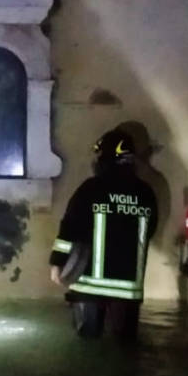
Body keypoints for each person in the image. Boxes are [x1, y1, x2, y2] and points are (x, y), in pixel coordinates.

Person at [48, 129, 158, 340]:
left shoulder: (91, 189)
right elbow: (150, 230)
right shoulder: (146, 193)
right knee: (125, 351)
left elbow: (70, 228)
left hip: (89, 287)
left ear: (104, 157)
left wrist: (57, 263)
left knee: (88, 349)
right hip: (128, 291)